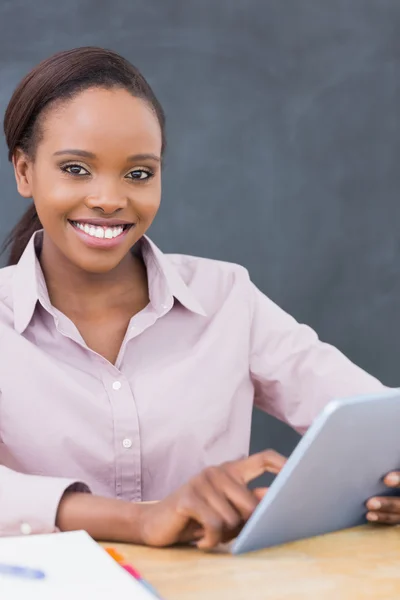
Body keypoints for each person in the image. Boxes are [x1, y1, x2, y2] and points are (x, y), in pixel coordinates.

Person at [0, 47, 398, 550]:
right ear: (24, 172)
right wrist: (140, 520)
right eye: (76, 169)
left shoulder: (227, 297)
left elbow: (373, 418)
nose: (109, 198)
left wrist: (389, 474)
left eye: (139, 173)